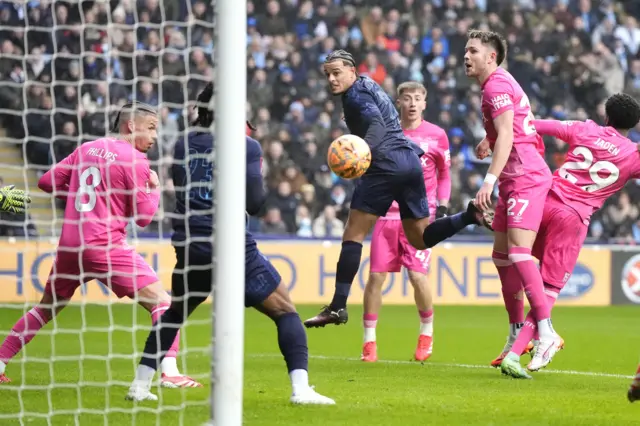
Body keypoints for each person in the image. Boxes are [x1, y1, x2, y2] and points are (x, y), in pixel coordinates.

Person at [126, 84, 334, 405]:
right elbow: (255, 202)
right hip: (229, 244)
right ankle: (300, 389)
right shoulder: (245, 146)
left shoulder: (183, 143)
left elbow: (181, 189)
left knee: (176, 313)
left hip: (190, 242)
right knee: (285, 310)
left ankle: (139, 386)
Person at [0, 102, 193, 387]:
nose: (154, 137)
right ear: (131, 126)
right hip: (105, 245)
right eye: (151, 128)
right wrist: (154, 189)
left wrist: (83, 194)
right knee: (164, 303)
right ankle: (170, 373)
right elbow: (142, 218)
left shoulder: (87, 148)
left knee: (46, 309)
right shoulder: (135, 159)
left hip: (70, 246)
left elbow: (46, 182)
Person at [304, 50, 489, 329]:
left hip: (385, 164)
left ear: (352, 71)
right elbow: (384, 116)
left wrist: (360, 151)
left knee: (353, 233)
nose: (331, 79)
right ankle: (468, 216)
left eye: (336, 72)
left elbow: (377, 126)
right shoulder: (367, 84)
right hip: (410, 162)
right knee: (420, 239)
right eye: (327, 74)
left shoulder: (355, 96)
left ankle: (338, 306)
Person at [494, 93, 640, 378]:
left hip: (543, 200)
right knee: (547, 289)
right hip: (572, 219)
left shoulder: (585, 129)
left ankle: (516, 337)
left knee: (513, 257)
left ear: (606, 116)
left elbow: (534, 125)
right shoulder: (633, 155)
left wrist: (495, 136)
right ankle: (521, 350)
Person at [464, 29, 562, 372]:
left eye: (473, 51)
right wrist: (487, 140)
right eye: (466, 51)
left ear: (491, 56)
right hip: (514, 180)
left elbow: (509, 133)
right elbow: (507, 130)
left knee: (520, 254)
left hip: (527, 178)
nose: (466, 56)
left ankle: (547, 332)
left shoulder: (496, 85)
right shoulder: (494, 85)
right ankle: (516, 330)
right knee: (502, 258)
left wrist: (488, 180)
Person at [361, 81, 450, 363]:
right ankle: (369, 343)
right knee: (375, 277)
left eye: (417, 98)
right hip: (386, 215)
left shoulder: (437, 135)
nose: (412, 103)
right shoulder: (385, 132)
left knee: (417, 276)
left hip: (419, 217)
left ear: (425, 103)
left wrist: (444, 206)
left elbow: (445, 174)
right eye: (407, 98)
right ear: (398, 102)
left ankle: (426, 333)